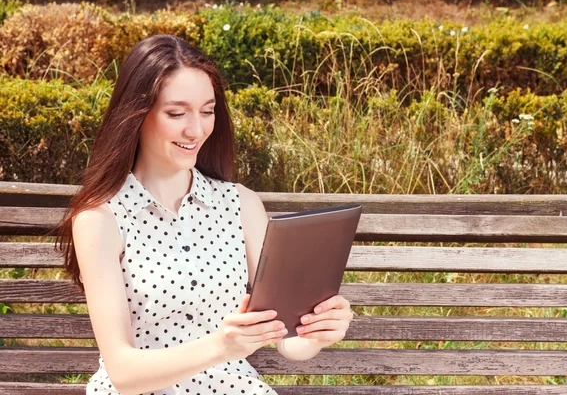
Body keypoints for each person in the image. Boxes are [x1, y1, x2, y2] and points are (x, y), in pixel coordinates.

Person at [56, 34, 354, 395]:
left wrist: (318, 329)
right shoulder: (100, 219)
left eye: (207, 111)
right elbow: (123, 372)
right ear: (136, 115)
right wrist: (221, 347)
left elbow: (287, 339)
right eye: (176, 113)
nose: (196, 130)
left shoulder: (241, 205)